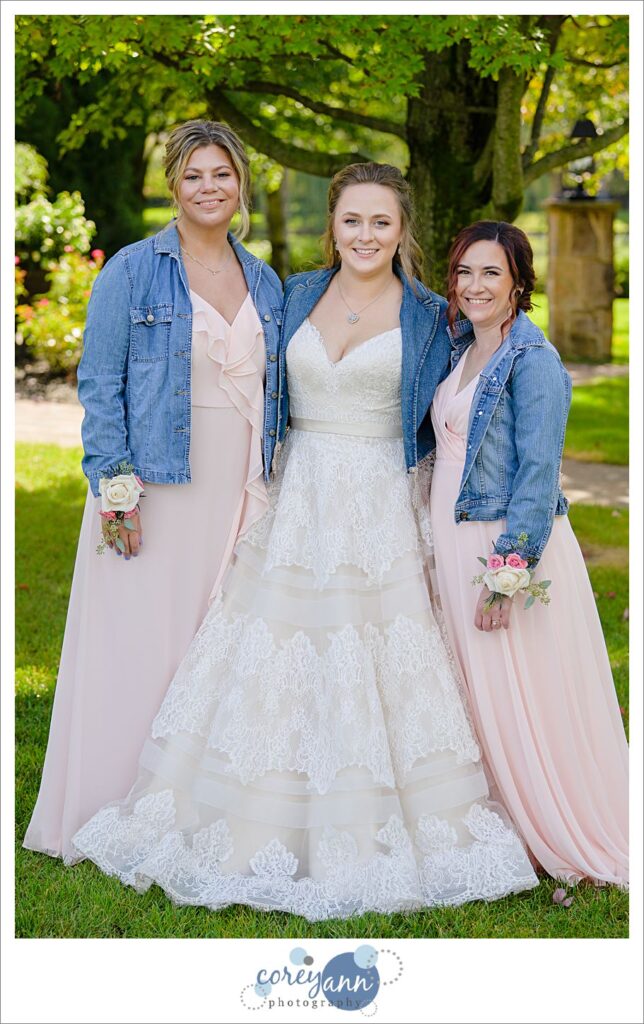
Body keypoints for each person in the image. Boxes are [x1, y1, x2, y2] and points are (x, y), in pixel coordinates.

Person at [70, 163, 538, 921]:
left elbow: (490, 373)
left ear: (401, 231)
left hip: (381, 500)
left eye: (381, 223)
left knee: (379, 654)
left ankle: (378, 816)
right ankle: (253, 810)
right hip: (299, 493)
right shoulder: (291, 295)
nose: (365, 236)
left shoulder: (431, 313)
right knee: (270, 650)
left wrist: (518, 497)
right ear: (333, 225)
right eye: (352, 221)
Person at [23, 120, 283, 863]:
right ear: (173, 185)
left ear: (241, 185)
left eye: (223, 174)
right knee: (136, 644)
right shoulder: (133, 272)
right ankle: (104, 805)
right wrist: (116, 491)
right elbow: (100, 385)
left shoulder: (261, 278)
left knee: (212, 644)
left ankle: (189, 806)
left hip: (236, 487)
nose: (210, 188)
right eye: (195, 175)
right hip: (155, 486)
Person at [429, 220, 628, 888]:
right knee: (482, 695)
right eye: (465, 272)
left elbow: (539, 478)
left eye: (491, 273)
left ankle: (558, 823)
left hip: (500, 547)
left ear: (519, 281)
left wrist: (508, 573)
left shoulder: (534, 360)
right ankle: (502, 820)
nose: (475, 285)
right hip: (455, 541)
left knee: (526, 696)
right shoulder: (463, 346)